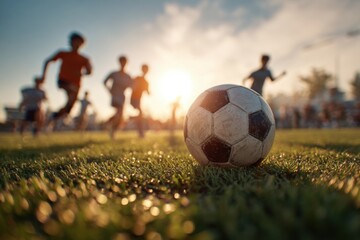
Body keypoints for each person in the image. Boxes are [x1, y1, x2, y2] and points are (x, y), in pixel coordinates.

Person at [40, 32, 92, 126]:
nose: (76, 44)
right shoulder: (63, 53)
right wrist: (43, 76)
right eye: (74, 42)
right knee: (72, 93)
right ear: (70, 42)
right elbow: (47, 61)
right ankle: (53, 119)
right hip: (63, 81)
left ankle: (52, 117)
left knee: (69, 108)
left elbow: (89, 71)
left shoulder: (84, 59)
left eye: (79, 43)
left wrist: (83, 73)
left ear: (82, 44)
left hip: (76, 84)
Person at [103, 55, 133, 139]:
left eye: (124, 62)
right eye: (121, 62)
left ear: (126, 63)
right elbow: (104, 81)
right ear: (119, 62)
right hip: (115, 97)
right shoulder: (114, 74)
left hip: (123, 98)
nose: (123, 64)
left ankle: (110, 126)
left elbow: (132, 86)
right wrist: (110, 91)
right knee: (119, 112)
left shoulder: (128, 76)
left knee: (120, 117)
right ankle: (108, 124)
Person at [131, 64, 150, 138]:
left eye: (146, 70)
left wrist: (148, 91)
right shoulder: (137, 78)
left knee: (140, 115)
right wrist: (136, 86)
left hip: (139, 100)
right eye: (144, 69)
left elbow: (148, 92)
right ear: (141, 69)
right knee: (140, 113)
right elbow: (132, 86)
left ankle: (140, 131)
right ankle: (141, 132)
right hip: (133, 99)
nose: (145, 71)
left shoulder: (146, 82)